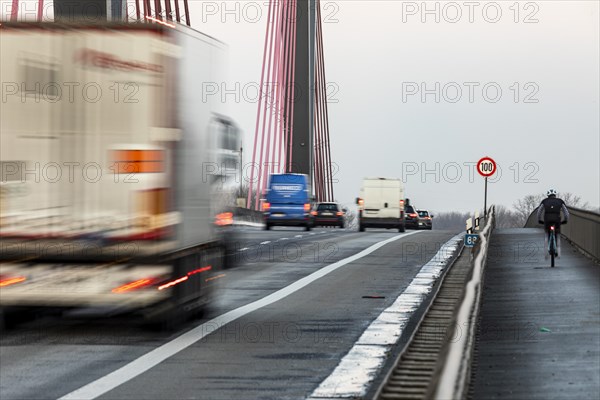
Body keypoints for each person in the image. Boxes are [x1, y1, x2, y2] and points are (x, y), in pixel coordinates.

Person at [536, 189, 569, 257]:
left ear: (548, 195)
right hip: (557, 220)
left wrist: (539, 219)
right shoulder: (560, 201)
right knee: (557, 233)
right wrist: (565, 220)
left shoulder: (544, 201)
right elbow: (566, 212)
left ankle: (548, 247)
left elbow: (539, 211)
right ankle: (557, 248)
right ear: (555, 195)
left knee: (547, 233)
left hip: (547, 220)